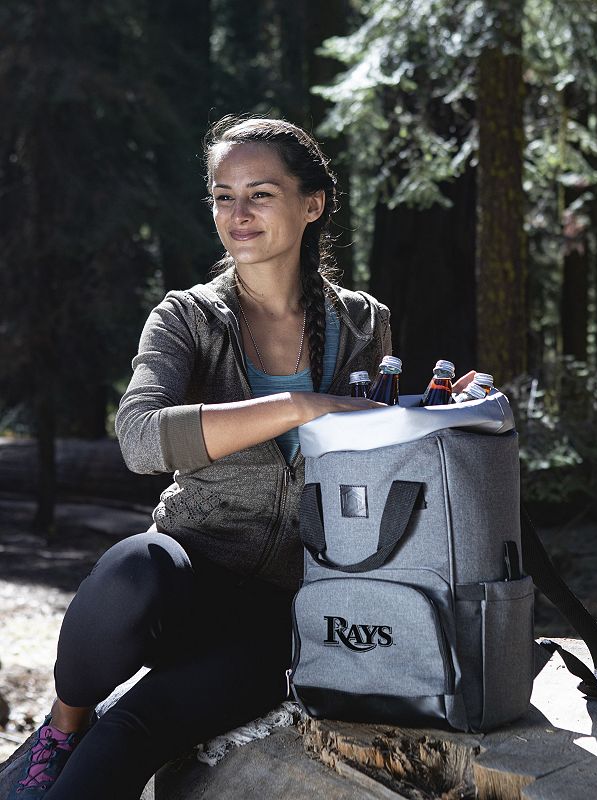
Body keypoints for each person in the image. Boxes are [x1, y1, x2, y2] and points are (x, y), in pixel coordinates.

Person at [6, 116, 401, 800]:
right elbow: (138, 436)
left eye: (260, 194)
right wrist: (301, 407)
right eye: (223, 196)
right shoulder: (187, 317)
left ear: (313, 204)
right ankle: (58, 731)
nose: (237, 214)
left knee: (130, 732)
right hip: (185, 577)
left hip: (289, 612)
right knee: (134, 565)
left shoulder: (366, 324)